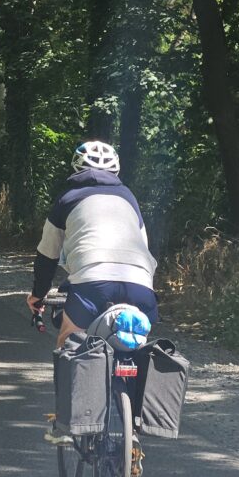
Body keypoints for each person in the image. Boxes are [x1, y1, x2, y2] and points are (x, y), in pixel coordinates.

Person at [26, 140, 158, 350]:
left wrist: (38, 294)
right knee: (136, 342)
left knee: (69, 340)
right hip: (140, 283)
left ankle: (72, 380)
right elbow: (145, 247)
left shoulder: (67, 199)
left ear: (77, 168)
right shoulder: (130, 199)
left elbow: (47, 254)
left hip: (92, 282)